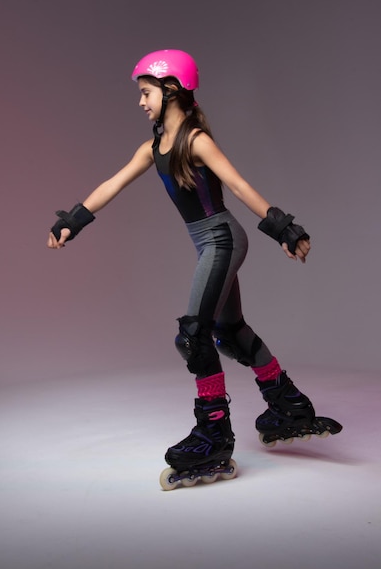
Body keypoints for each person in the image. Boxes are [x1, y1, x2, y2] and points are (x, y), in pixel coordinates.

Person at [47, 49, 342, 489]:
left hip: (222, 240)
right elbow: (114, 182)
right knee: (230, 331)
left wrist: (284, 229)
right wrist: (73, 220)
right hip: (208, 243)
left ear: (171, 91)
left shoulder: (196, 139)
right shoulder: (153, 147)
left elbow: (239, 185)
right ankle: (289, 406)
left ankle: (213, 436)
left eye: (146, 93)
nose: (140, 101)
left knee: (194, 334)